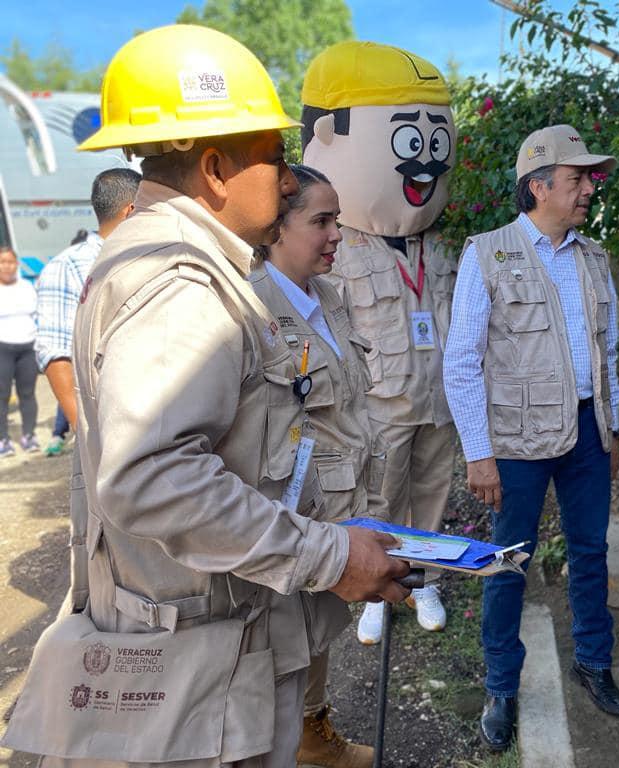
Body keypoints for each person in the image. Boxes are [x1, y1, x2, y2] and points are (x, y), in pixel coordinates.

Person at [1, 24, 410, 768]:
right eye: (276, 158)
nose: (289, 180)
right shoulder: (180, 285)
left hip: (206, 654)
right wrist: (324, 555)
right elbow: (149, 474)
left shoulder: (164, 266)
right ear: (216, 168)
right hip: (200, 685)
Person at [443, 124, 619, 752]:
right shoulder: (488, 254)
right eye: (577, 179)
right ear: (538, 186)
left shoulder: (593, 257)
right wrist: (478, 452)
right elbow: (462, 359)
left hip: (587, 434)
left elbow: (610, 350)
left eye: (587, 179)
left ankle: (594, 663)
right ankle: (501, 683)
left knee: (591, 551)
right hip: (516, 444)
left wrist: (614, 423)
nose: (588, 190)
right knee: (508, 562)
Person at [302, 41, 459, 644]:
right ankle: (376, 591)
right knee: (380, 496)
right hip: (379, 406)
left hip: (437, 399)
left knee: (433, 494)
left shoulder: (439, 247)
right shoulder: (338, 249)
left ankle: (427, 580)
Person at [249, 163, 383, 768]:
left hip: (338, 504)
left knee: (316, 636)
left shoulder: (329, 296)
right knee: (277, 652)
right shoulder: (250, 309)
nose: (336, 235)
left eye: (337, 220)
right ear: (277, 227)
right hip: (286, 516)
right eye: (320, 221)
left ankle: (311, 737)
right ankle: (285, 742)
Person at [35, 168, 141, 456]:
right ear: (132, 211)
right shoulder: (69, 267)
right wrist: (87, 436)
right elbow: (55, 355)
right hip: (106, 432)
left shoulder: (149, 258)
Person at [0, 246, 39, 456]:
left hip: (27, 348)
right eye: (2, 262)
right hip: (2, 348)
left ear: (16, 264)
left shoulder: (26, 286)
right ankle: (3, 440)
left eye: (10, 262)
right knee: (2, 396)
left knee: (27, 394)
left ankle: (29, 436)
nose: (7, 266)